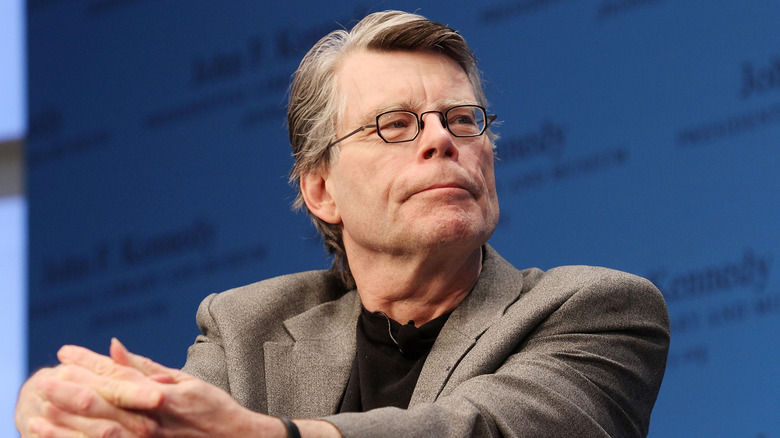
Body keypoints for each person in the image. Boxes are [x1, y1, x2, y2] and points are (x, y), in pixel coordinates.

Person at [15, 10, 670, 438]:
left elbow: (480, 430)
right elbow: (178, 422)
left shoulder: (597, 310)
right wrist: (75, 407)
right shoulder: (246, 325)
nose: (442, 140)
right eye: (396, 125)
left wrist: (269, 435)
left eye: (462, 119)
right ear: (321, 188)